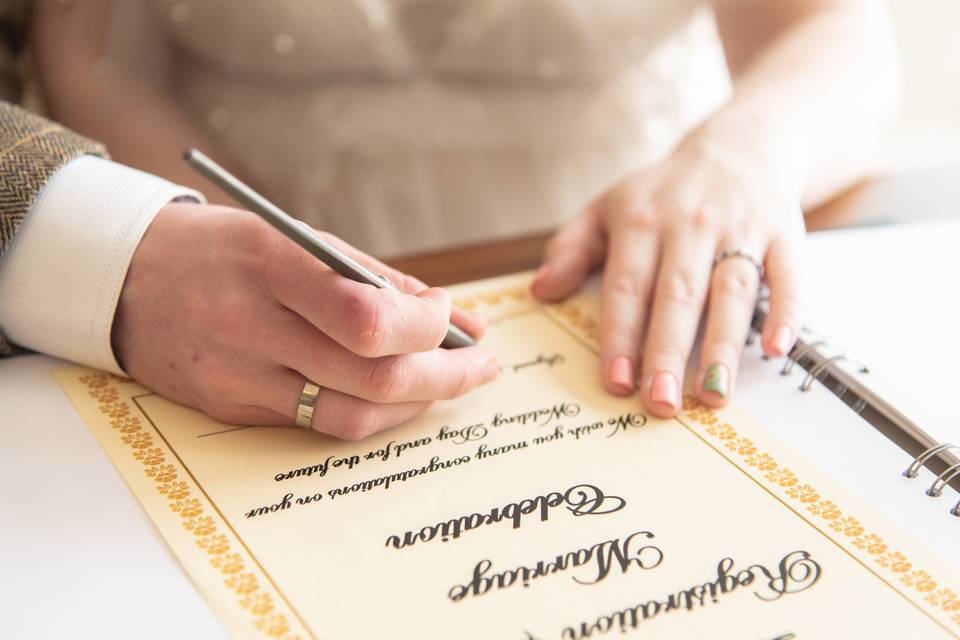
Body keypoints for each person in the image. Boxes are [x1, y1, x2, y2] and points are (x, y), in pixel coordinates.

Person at [0, 0, 899, 436]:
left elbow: (840, 31)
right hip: (236, 235)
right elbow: (95, 58)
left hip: (612, 243)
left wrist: (742, 156)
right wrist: (198, 239)